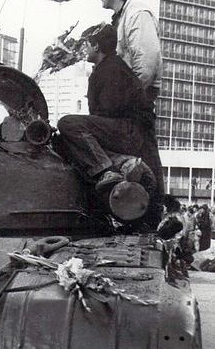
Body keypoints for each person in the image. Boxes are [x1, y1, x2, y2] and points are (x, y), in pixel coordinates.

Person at [56, 24, 158, 226]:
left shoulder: (110, 70)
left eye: (87, 45)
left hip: (126, 130)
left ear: (96, 46)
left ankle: (106, 171)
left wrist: (91, 127)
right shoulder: (111, 67)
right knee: (68, 140)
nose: (85, 49)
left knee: (67, 124)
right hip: (126, 130)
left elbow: (109, 110)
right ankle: (121, 163)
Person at [97, 0, 165, 221]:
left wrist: (125, 98)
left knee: (145, 155)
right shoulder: (122, 15)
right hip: (132, 97)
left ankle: (151, 213)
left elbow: (146, 63)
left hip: (137, 99)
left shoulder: (137, 14)